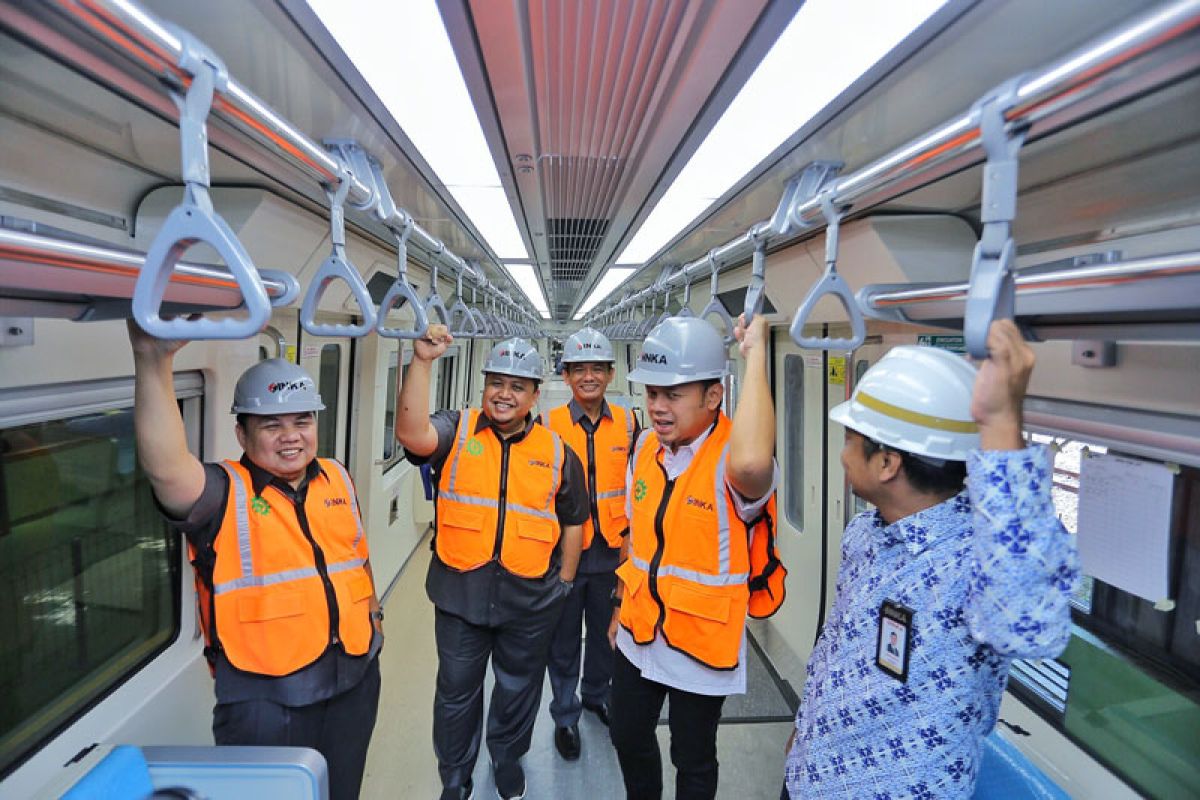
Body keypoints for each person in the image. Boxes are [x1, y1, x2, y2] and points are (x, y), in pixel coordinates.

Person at [782, 320, 1080, 799]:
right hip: (813, 775)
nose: (842, 456)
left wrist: (1003, 423)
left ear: (887, 463)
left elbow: (1030, 626)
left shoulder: (976, 559)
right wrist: (807, 729)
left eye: (850, 440)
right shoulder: (865, 534)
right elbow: (836, 644)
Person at [127, 322, 382, 800]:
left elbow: (355, 556)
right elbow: (165, 470)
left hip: (353, 678)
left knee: (342, 791)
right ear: (242, 433)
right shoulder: (223, 493)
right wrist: (153, 360)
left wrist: (373, 621)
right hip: (266, 696)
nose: (292, 437)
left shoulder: (337, 478)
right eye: (272, 425)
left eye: (302, 421)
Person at [395, 328, 587, 800]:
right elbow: (412, 435)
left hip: (530, 598)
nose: (504, 394)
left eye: (517, 385)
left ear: (535, 395)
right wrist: (421, 362)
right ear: (483, 387)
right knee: (456, 695)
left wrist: (563, 582)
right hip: (461, 596)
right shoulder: (454, 429)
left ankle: (506, 758)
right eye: (496, 382)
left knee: (518, 689)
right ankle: (455, 777)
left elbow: (574, 521)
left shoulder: (558, 453)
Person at [609, 314, 786, 800]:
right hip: (638, 627)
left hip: (700, 642)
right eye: (651, 394)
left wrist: (755, 357)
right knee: (626, 732)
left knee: (692, 757)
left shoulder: (734, 458)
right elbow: (634, 536)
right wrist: (618, 605)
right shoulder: (644, 447)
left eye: (673, 394)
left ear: (713, 397)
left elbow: (754, 464)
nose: (658, 407)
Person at [541, 327, 637, 760]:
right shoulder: (547, 425)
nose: (589, 377)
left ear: (611, 374)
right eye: (579, 369)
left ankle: (597, 695)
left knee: (604, 635)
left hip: (614, 554)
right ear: (566, 376)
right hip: (564, 553)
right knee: (563, 642)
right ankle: (565, 715)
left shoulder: (631, 422)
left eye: (597, 368)